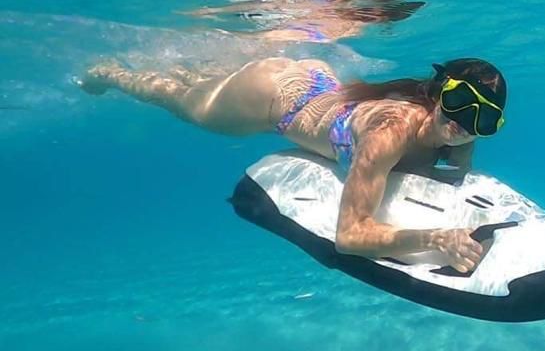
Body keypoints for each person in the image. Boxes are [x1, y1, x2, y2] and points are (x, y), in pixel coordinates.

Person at [80, 57, 506, 273]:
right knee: (181, 101)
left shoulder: (460, 138)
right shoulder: (388, 134)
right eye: (458, 102)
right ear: (436, 93)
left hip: (317, 82)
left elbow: (453, 178)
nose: (464, 122)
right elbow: (350, 236)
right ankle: (112, 74)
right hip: (269, 98)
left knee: (200, 84)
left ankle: (196, 67)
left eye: (483, 119)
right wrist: (437, 238)